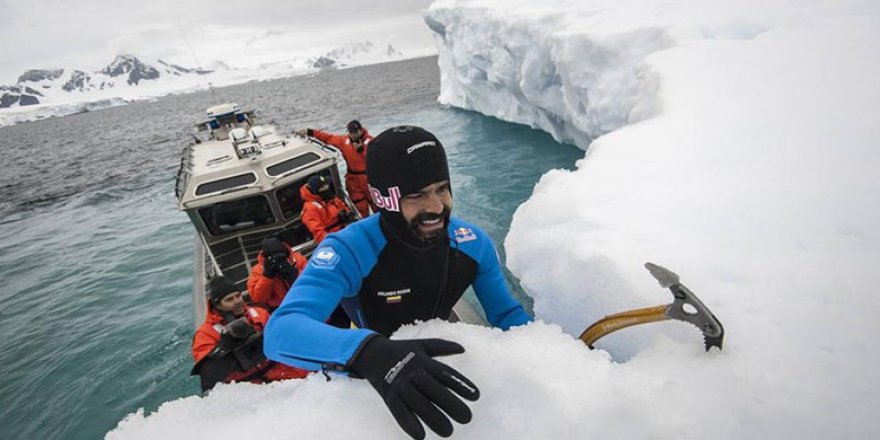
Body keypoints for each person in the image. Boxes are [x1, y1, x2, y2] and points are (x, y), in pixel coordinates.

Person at [265, 126, 532, 440]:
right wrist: (368, 353)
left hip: (437, 349)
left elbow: (508, 317)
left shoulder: (473, 243)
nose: (435, 207)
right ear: (383, 199)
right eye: (416, 195)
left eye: (442, 189)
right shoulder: (349, 248)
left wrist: (554, 354)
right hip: (372, 371)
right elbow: (280, 332)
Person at [191, 276, 309, 392]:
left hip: (277, 369)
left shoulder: (259, 313)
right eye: (229, 299)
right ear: (217, 305)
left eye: (238, 296)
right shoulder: (205, 334)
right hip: (246, 386)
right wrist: (223, 348)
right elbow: (208, 375)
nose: (237, 301)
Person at [295, 120, 373, 217]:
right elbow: (328, 138)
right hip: (353, 180)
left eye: (354, 132)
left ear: (360, 130)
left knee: (377, 204)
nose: (352, 135)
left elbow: (378, 158)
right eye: (350, 132)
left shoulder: (372, 142)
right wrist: (311, 132)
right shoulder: (344, 141)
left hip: (369, 178)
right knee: (360, 206)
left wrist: (361, 150)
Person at [247, 237, 308, 311]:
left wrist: (293, 272)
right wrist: (267, 276)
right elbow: (258, 298)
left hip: (304, 299)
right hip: (281, 309)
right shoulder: (258, 270)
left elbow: (312, 282)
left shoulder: (298, 259)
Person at [300, 174, 357, 244]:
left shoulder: (332, 198)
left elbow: (345, 209)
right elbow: (319, 233)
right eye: (324, 186)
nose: (327, 187)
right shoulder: (310, 209)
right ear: (316, 191)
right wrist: (334, 243)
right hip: (336, 240)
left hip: (348, 232)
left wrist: (350, 217)